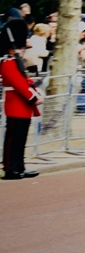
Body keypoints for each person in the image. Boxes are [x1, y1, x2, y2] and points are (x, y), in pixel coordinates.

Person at [3, 17, 41, 178]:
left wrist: (36, 92)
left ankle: (20, 166)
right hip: (16, 104)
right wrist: (33, 97)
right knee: (13, 140)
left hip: (23, 105)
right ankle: (10, 168)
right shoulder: (7, 62)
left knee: (20, 139)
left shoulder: (16, 61)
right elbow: (18, 84)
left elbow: (25, 80)